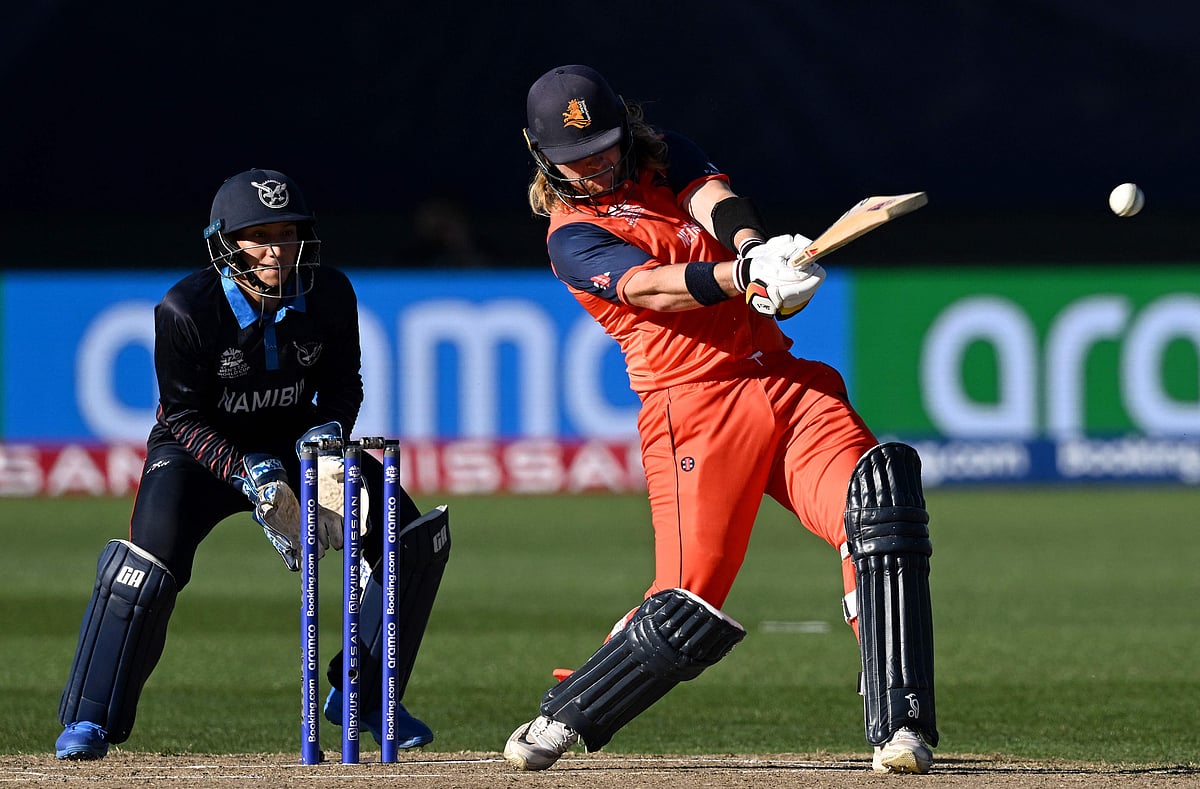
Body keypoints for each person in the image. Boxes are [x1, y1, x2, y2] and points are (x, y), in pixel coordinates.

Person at [502, 65, 938, 774]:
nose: (600, 165)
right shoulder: (570, 237)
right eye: (579, 160)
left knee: (877, 505)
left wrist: (754, 251)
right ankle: (567, 712)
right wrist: (742, 280)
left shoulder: (665, 153)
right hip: (693, 407)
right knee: (685, 603)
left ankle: (902, 722)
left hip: (784, 383)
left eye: (608, 147)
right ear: (543, 156)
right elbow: (653, 288)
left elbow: (715, 199)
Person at [55, 168, 450, 760]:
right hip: (200, 451)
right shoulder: (186, 310)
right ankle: (90, 720)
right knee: (145, 569)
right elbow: (183, 418)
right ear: (223, 242)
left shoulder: (330, 294)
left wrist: (327, 432)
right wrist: (245, 469)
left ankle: (363, 696)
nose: (276, 250)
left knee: (413, 542)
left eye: (287, 234)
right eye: (258, 235)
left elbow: (345, 385)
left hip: (295, 438)